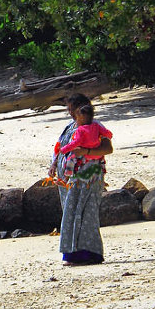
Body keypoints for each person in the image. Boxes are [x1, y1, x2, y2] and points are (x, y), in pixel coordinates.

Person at [47, 93, 113, 266]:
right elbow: (60, 147)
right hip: (68, 181)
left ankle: (89, 254)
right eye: (68, 110)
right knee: (70, 213)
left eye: (72, 109)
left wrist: (86, 152)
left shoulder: (96, 126)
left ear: (81, 108)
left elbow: (108, 148)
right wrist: (53, 165)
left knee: (86, 214)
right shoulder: (70, 127)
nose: (70, 113)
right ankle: (72, 254)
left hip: (89, 177)